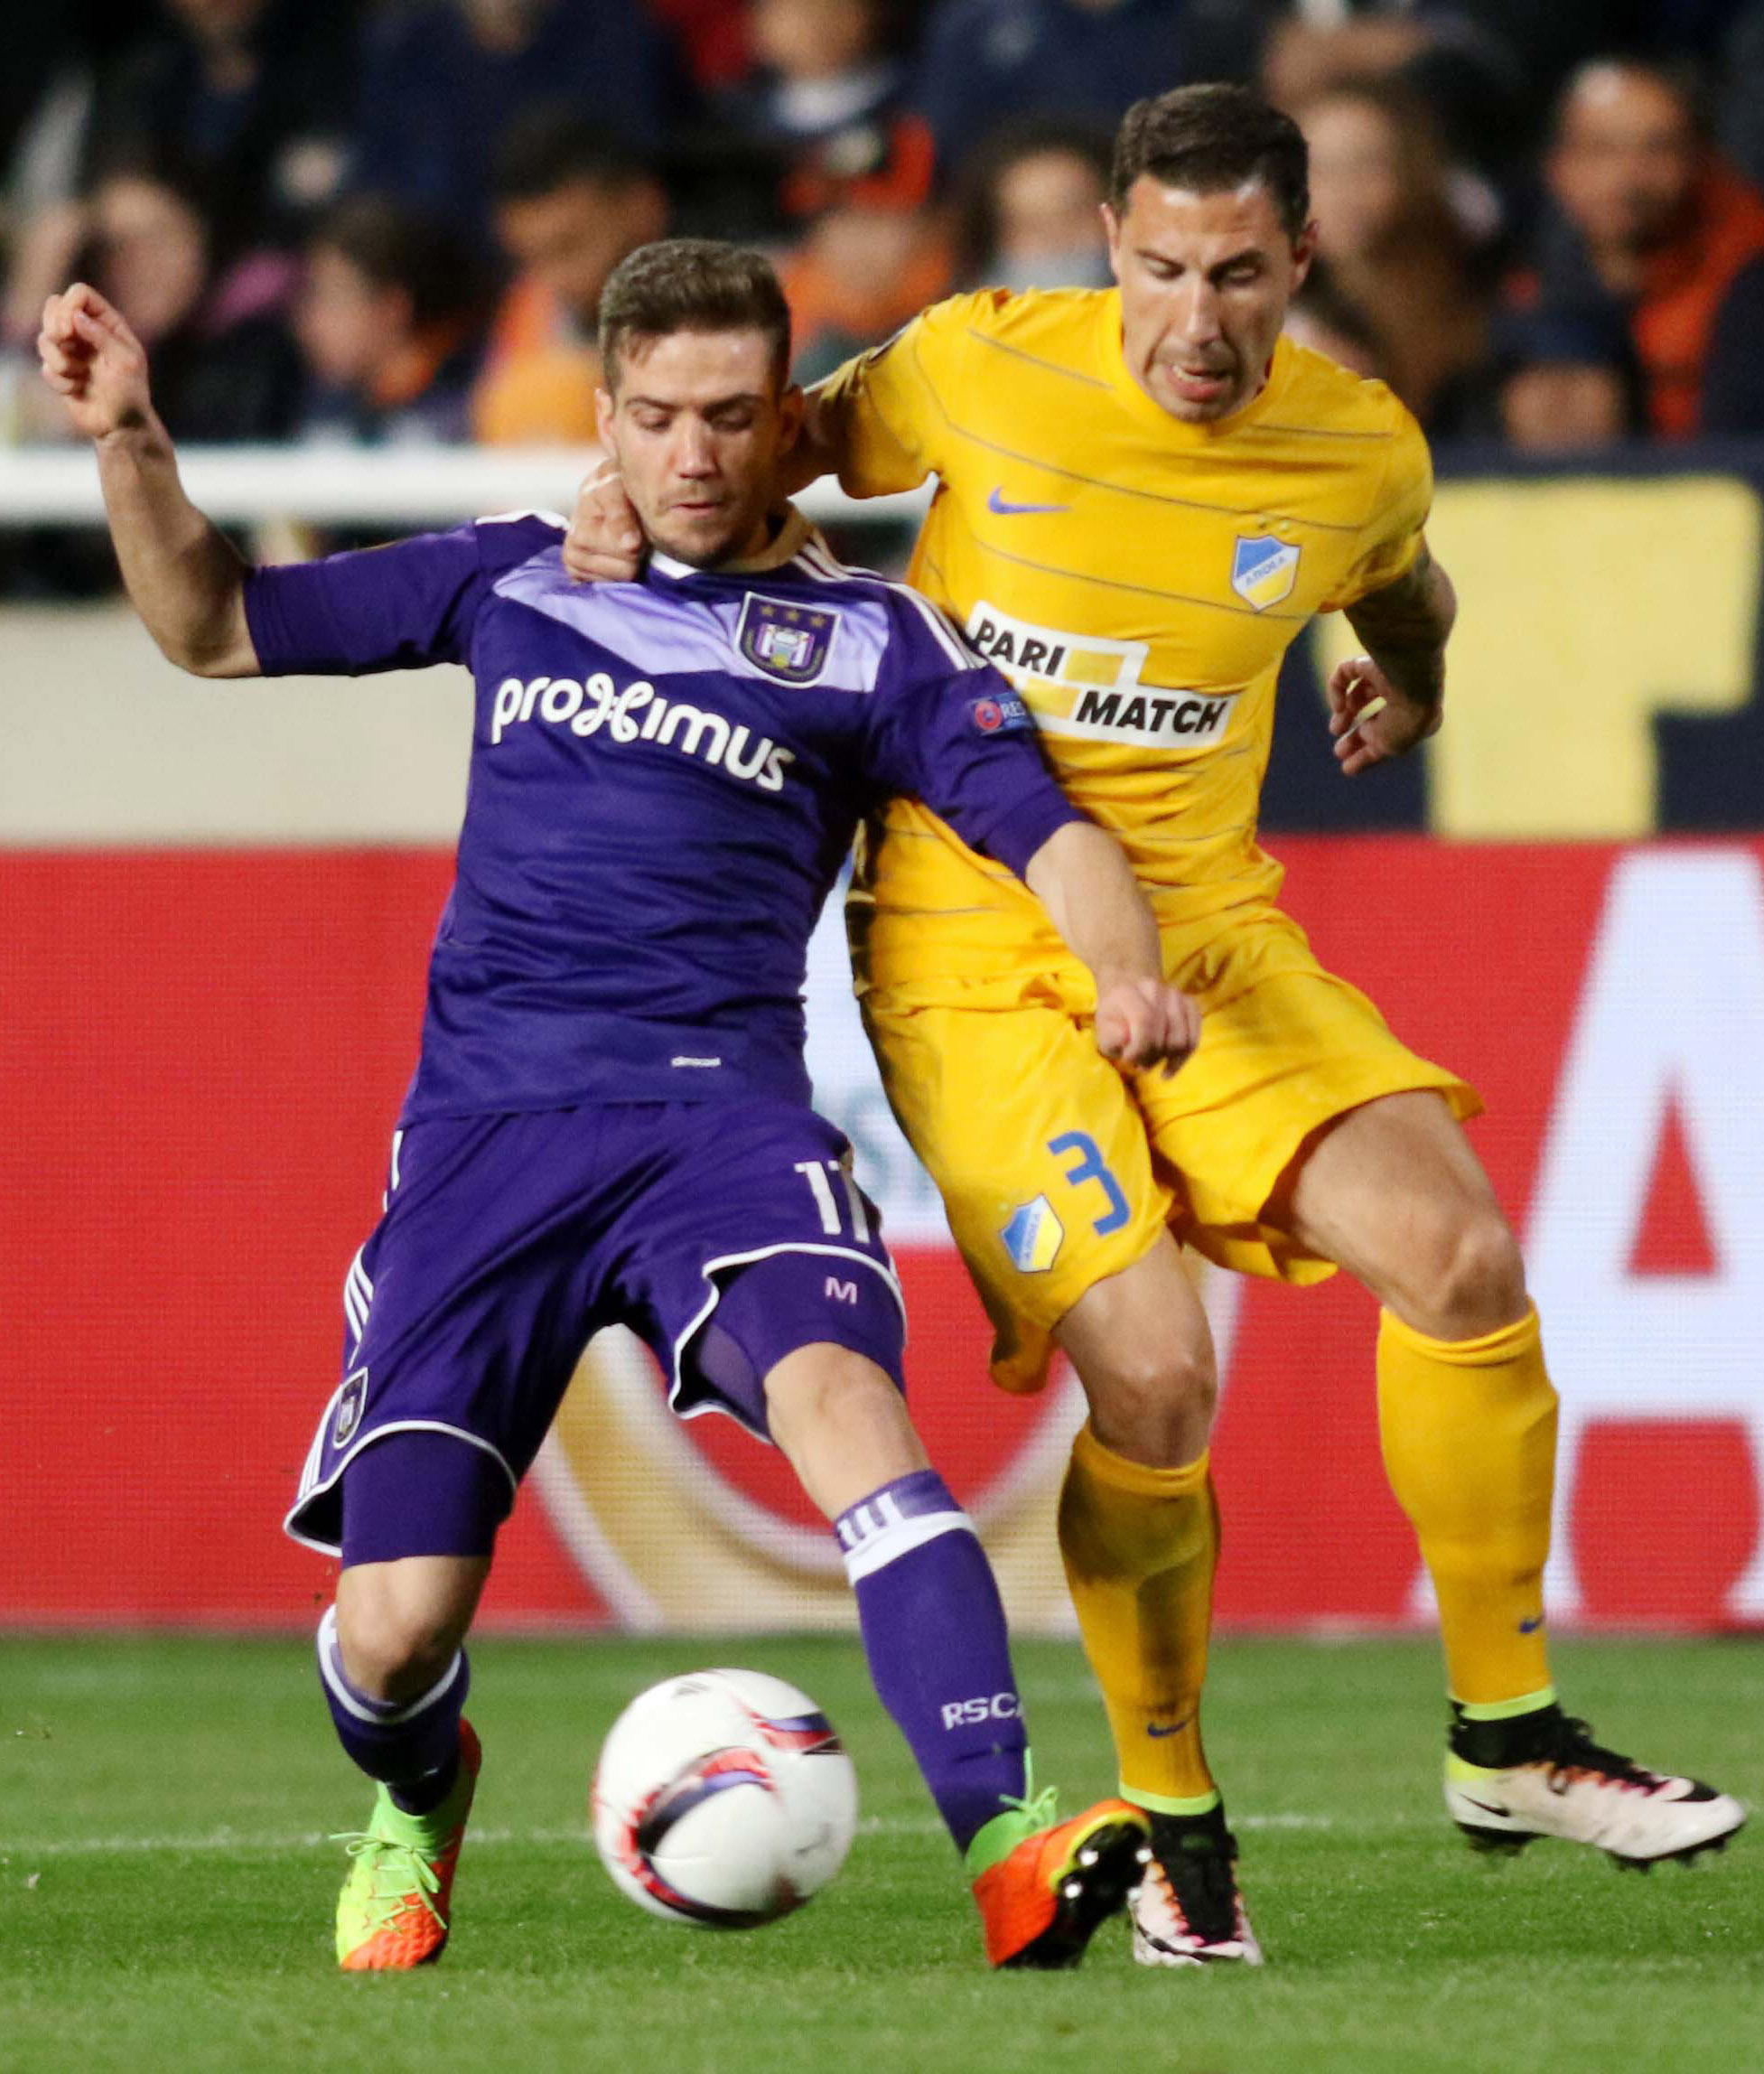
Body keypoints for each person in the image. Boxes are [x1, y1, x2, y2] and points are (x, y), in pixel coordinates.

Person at [568, 85, 1747, 1970]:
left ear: (1301, 261)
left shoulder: (1355, 446)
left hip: (1205, 934)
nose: (1197, 323)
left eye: (1240, 278)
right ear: (1110, 242)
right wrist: (618, 502)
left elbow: (1402, 582)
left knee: (1458, 1251)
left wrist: (1406, 683)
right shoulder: (975, 366)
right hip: (968, 945)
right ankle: (1174, 1811)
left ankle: (1505, 1729)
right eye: (1164, 270)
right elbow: (750, 452)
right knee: (1156, 1381)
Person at [38, 240, 1205, 1974]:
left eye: (733, 416)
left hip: (719, 1127)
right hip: (488, 1143)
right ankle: (414, 1796)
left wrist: (1123, 969)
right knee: (392, 1626)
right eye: (655, 416)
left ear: (780, 418)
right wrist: (133, 437)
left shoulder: (870, 641)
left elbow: (1049, 829)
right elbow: (211, 625)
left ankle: (1012, 1845)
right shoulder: (514, 578)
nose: (693, 454)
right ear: (602, 416)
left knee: (854, 1421)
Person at [1515, 58, 1764, 438]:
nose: (1629, 178)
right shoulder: (1510, 278)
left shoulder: (1747, 273)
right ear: (1557, 168)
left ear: (1698, 161)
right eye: (1601, 150)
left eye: (1658, 149)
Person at [471, 114, 667, 445]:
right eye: (531, 258)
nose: (553, 280)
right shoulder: (531, 306)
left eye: (570, 247)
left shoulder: (751, 297)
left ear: (642, 206)